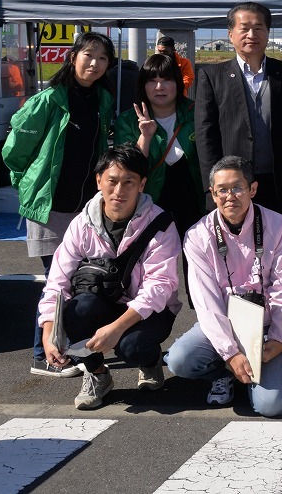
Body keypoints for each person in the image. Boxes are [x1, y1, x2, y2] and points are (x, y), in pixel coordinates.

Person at [4, 30, 117, 377]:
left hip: (84, 208)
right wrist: (26, 183)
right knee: (58, 280)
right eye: (88, 56)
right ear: (73, 57)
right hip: (51, 207)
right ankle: (43, 354)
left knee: (79, 281)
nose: (94, 64)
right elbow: (13, 147)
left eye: (102, 58)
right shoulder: (50, 99)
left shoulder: (102, 98)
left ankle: (67, 348)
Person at [37, 145, 182, 410]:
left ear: (142, 184)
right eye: (112, 181)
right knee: (75, 311)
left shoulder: (160, 224)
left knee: (132, 346)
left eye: (129, 182)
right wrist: (48, 333)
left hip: (149, 310)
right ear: (98, 180)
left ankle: (150, 364)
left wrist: (116, 328)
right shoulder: (82, 223)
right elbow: (57, 281)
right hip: (103, 303)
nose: (119, 191)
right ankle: (97, 374)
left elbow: (160, 287)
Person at [165, 156, 282, 416]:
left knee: (270, 407)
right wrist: (230, 354)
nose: (230, 196)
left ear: (252, 189)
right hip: (223, 322)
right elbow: (206, 303)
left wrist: (280, 339)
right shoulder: (197, 235)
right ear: (212, 194)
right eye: (222, 190)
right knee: (179, 359)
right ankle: (224, 373)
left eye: (238, 187)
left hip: (268, 327)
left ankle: (270, 367)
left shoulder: (279, 226)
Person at [194, 2, 282, 219]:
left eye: (258, 27)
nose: (251, 34)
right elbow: (205, 134)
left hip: (276, 181)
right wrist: (212, 185)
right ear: (231, 34)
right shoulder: (212, 76)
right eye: (244, 28)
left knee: (273, 244)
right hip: (231, 186)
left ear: (268, 33)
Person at [114, 54, 204, 235]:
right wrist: (145, 137)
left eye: (167, 80)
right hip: (148, 202)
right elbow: (126, 169)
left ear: (178, 83)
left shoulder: (197, 112)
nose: (159, 87)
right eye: (152, 81)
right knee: (152, 258)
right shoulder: (128, 120)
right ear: (143, 86)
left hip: (194, 202)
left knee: (196, 257)